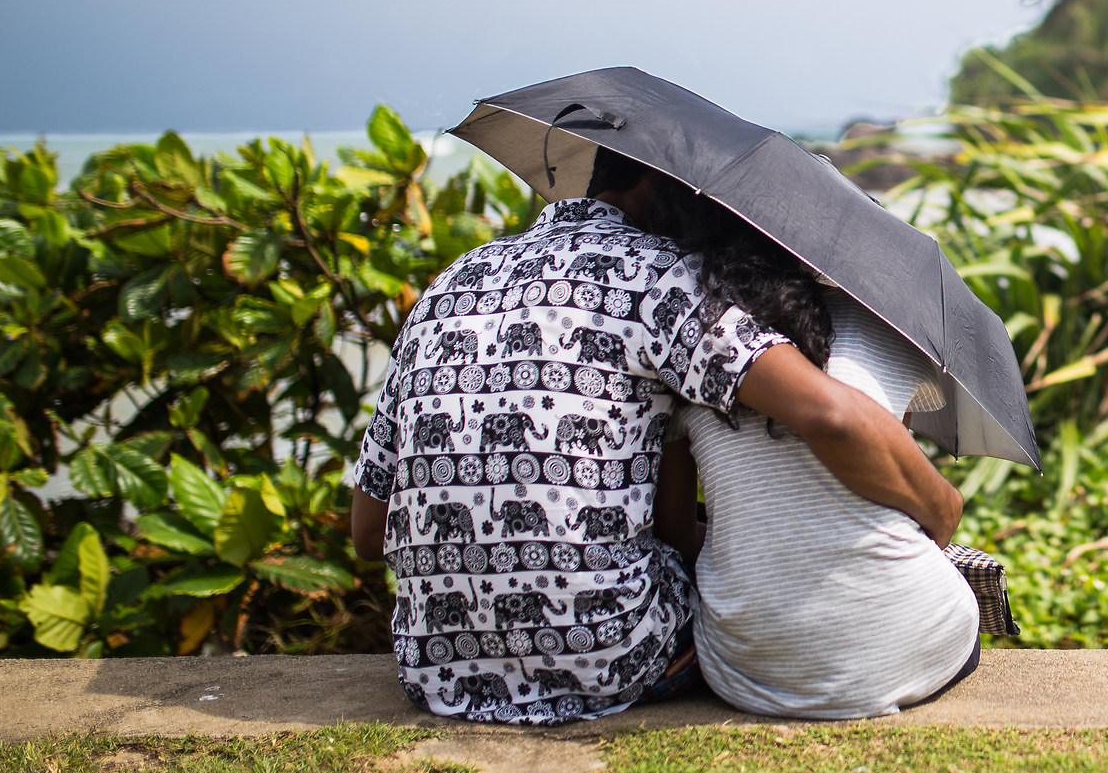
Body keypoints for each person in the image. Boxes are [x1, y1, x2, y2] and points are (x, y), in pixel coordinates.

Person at [346, 147, 957, 725]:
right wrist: (942, 508)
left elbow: (369, 534)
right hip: (612, 659)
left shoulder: (449, 284)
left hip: (437, 671)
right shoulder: (661, 277)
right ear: (657, 185)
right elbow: (831, 417)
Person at [643, 183, 981, 720]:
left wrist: (758, 539)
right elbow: (899, 483)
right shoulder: (890, 331)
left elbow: (677, 533)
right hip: (916, 640)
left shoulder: (700, 343)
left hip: (747, 672)